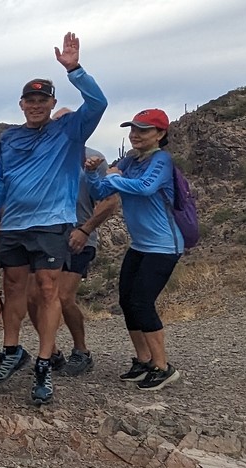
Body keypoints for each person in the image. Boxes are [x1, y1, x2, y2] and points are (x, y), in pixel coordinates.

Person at [0, 32, 107, 405]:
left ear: (52, 102)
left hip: (52, 223)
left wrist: (75, 70)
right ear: (21, 103)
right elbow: (0, 182)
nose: (36, 105)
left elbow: (99, 102)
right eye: (30, 100)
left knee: (49, 290)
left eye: (42, 100)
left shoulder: (69, 130)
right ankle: (13, 351)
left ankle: (45, 364)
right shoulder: (9, 138)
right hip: (14, 225)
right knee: (15, 287)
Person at [85, 108, 182, 391]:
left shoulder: (161, 160)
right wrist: (94, 174)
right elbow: (100, 192)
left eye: (143, 130)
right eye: (133, 129)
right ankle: (144, 360)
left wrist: (113, 175)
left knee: (141, 301)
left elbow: (144, 188)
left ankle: (163, 366)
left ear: (160, 134)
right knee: (127, 301)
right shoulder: (130, 159)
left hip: (164, 246)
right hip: (140, 245)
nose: (135, 135)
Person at [25, 135, 119, 377]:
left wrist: (86, 230)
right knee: (34, 298)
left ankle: (81, 351)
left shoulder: (92, 158)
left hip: (79, 236)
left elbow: (110, 202)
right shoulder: (43, 156)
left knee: (64, 296)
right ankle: (52, 353)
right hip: (46, 237)